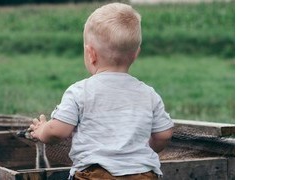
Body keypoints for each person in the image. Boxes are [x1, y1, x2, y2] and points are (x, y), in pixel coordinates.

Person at [28, 2, 175, 180]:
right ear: (136, 54)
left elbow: (58, 131)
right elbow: (164, 134)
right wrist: (147, 149)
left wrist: (42, 130)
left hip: (94, 175)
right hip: (143, 175)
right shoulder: (149, 94)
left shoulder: (80, 91)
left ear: (91, 54)